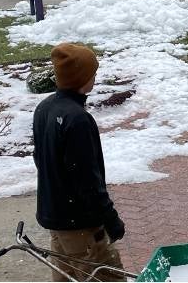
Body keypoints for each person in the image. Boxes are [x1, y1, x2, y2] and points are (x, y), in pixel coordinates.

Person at [33, 43, 126, 282]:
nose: (95, 76)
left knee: (67, 277)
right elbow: (87, 179)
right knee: (107, 277)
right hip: (81, 227)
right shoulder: (78, 120)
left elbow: (40, 159)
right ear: (82, 77)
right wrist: (111, 220)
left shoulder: (44, 108)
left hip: (57, 220)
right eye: (92, 72)